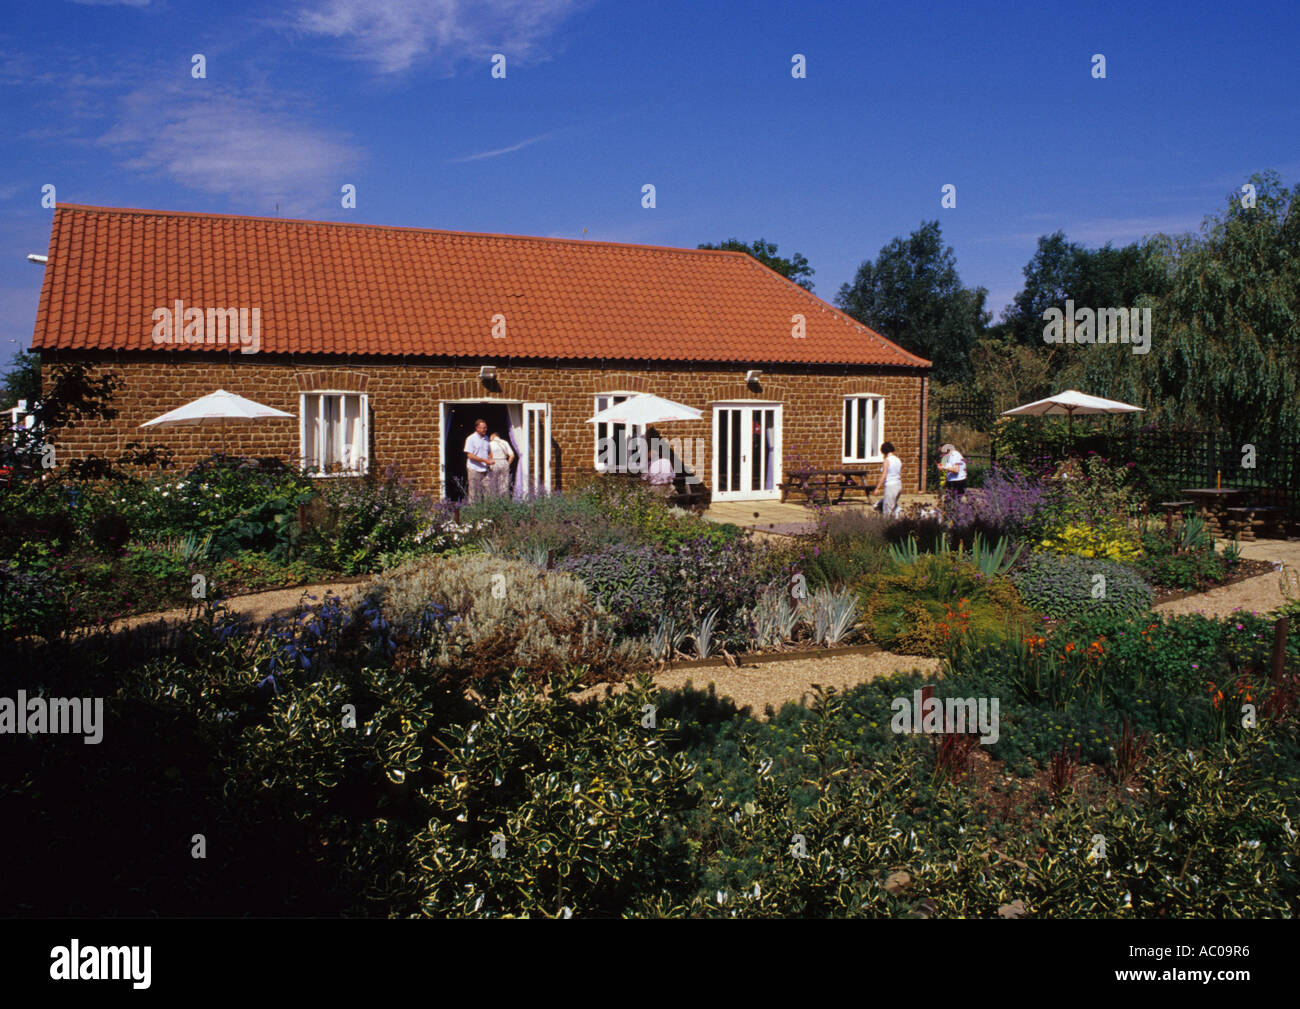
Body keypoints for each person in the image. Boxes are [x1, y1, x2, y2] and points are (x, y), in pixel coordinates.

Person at [463, 418, 493, 502]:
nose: (485, 429)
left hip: (485, 470)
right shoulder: (471, 439)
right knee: (474, 493)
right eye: (483, 428)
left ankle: (487, 512)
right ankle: (473, 513)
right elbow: (469, 455)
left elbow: (489, 451)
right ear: (477, 428)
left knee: (488, 492)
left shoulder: (487, 438)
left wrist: (490, 459)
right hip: (474, 469)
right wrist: (485, 461)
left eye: (486, 427)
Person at [872, 441, 903, 518]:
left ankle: (888, 524)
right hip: (898, 485)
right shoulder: (898, 460)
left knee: (887, 510)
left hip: (890, 486)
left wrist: (877, 488)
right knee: (893, 506)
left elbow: (884, 475)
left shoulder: (887, 460)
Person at [489, 432, 515, 496]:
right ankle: (504, 500)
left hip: (494, 462)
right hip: (504, 462)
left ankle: (494, 501)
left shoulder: (490, 444)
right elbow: (512, 455)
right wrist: (507, 464)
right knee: (504, 485)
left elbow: (489, 455)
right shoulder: (505, 442)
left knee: (494, 484)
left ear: (492, 437)